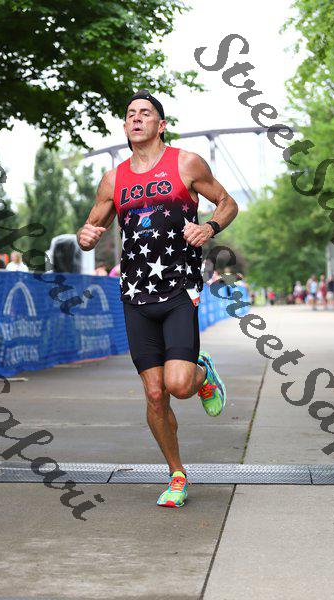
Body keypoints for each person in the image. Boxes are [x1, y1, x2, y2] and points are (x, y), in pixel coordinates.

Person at [76, 89, 238, 508]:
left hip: (180, 289)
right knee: (154, 394)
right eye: (130, 113)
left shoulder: (186, 163)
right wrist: (85, 235)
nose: (136, 118)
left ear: (160, 124)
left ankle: (202, 375)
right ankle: (177, 474)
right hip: (135, 294)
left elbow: (227, 202)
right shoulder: (114, 179)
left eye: (145, 113)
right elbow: (91, 227)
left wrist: (210, 227)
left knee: (178, 385)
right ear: (125, 125)